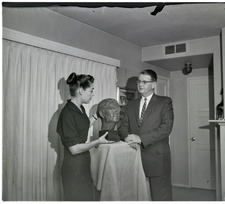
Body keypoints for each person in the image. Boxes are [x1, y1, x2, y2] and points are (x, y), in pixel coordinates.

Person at [57, 72, 114, 201]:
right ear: (81, 91)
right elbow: (74, 149)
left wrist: (96, 116)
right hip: (73, 168)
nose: (93, 94)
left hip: (83, 164)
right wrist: (98, 142)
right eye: (91, 90)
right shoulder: (67, 113)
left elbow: (81, 129)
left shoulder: (79, 108)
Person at [118, 69, 174, 201]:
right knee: (135, 197)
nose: (140, 84)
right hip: (134, 157)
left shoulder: (164, 102)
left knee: (161, 197)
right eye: (139, 81)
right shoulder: (131, 104)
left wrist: (140, 139)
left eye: (144, 81)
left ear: (153, 84)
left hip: (157, 158)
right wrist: (127, 137)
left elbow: (166, 128)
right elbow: (123, 127)